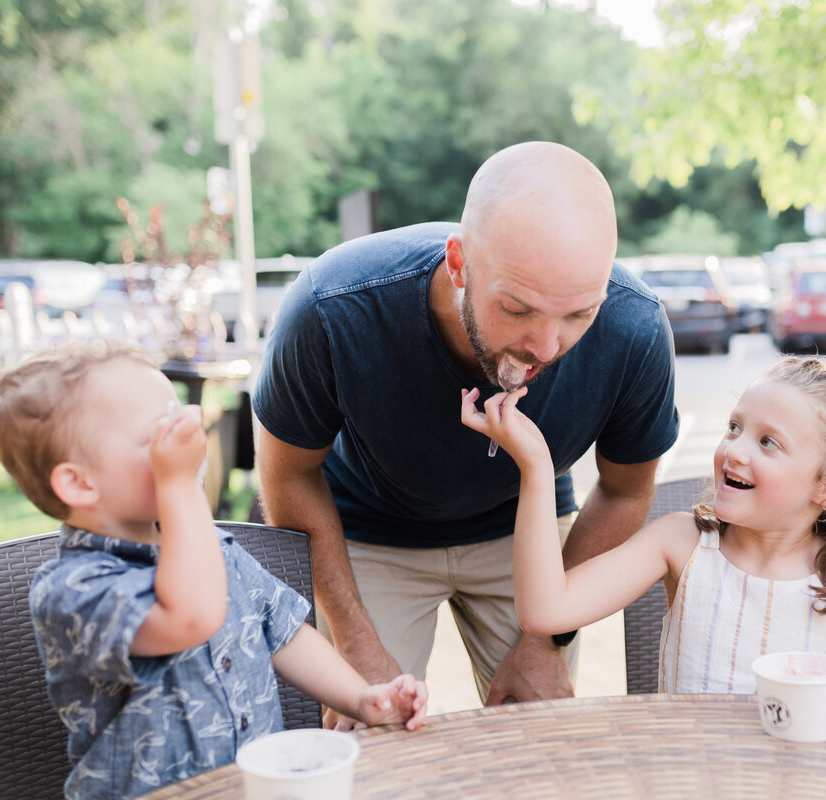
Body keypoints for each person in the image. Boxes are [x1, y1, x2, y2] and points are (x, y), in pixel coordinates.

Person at [253, 141, 679, 719]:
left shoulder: (635, 326)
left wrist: (545, 640)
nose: (546, 348)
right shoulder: (331, 308)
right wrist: (356, 644)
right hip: (369, 530)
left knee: (541, 729)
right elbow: (289, 477)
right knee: (368, 730)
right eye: (518, 308)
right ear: (458, 263)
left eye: (579, 314)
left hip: (525, 526)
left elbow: (627, 490)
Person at [0, 342, 427, 800]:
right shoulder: (72, 591)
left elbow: (285, 633)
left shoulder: (213, 546)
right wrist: (179, 483)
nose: (190, 434)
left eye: (179, 414)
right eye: (160, 435)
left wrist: (359, 698)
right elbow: (190, 618)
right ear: (79, 483)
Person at [461, 355, 826, 730]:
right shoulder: (682, 543)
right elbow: (545, 611)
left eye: (768, 442)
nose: (734, 450)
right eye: (734, 427)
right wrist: (537, 469)